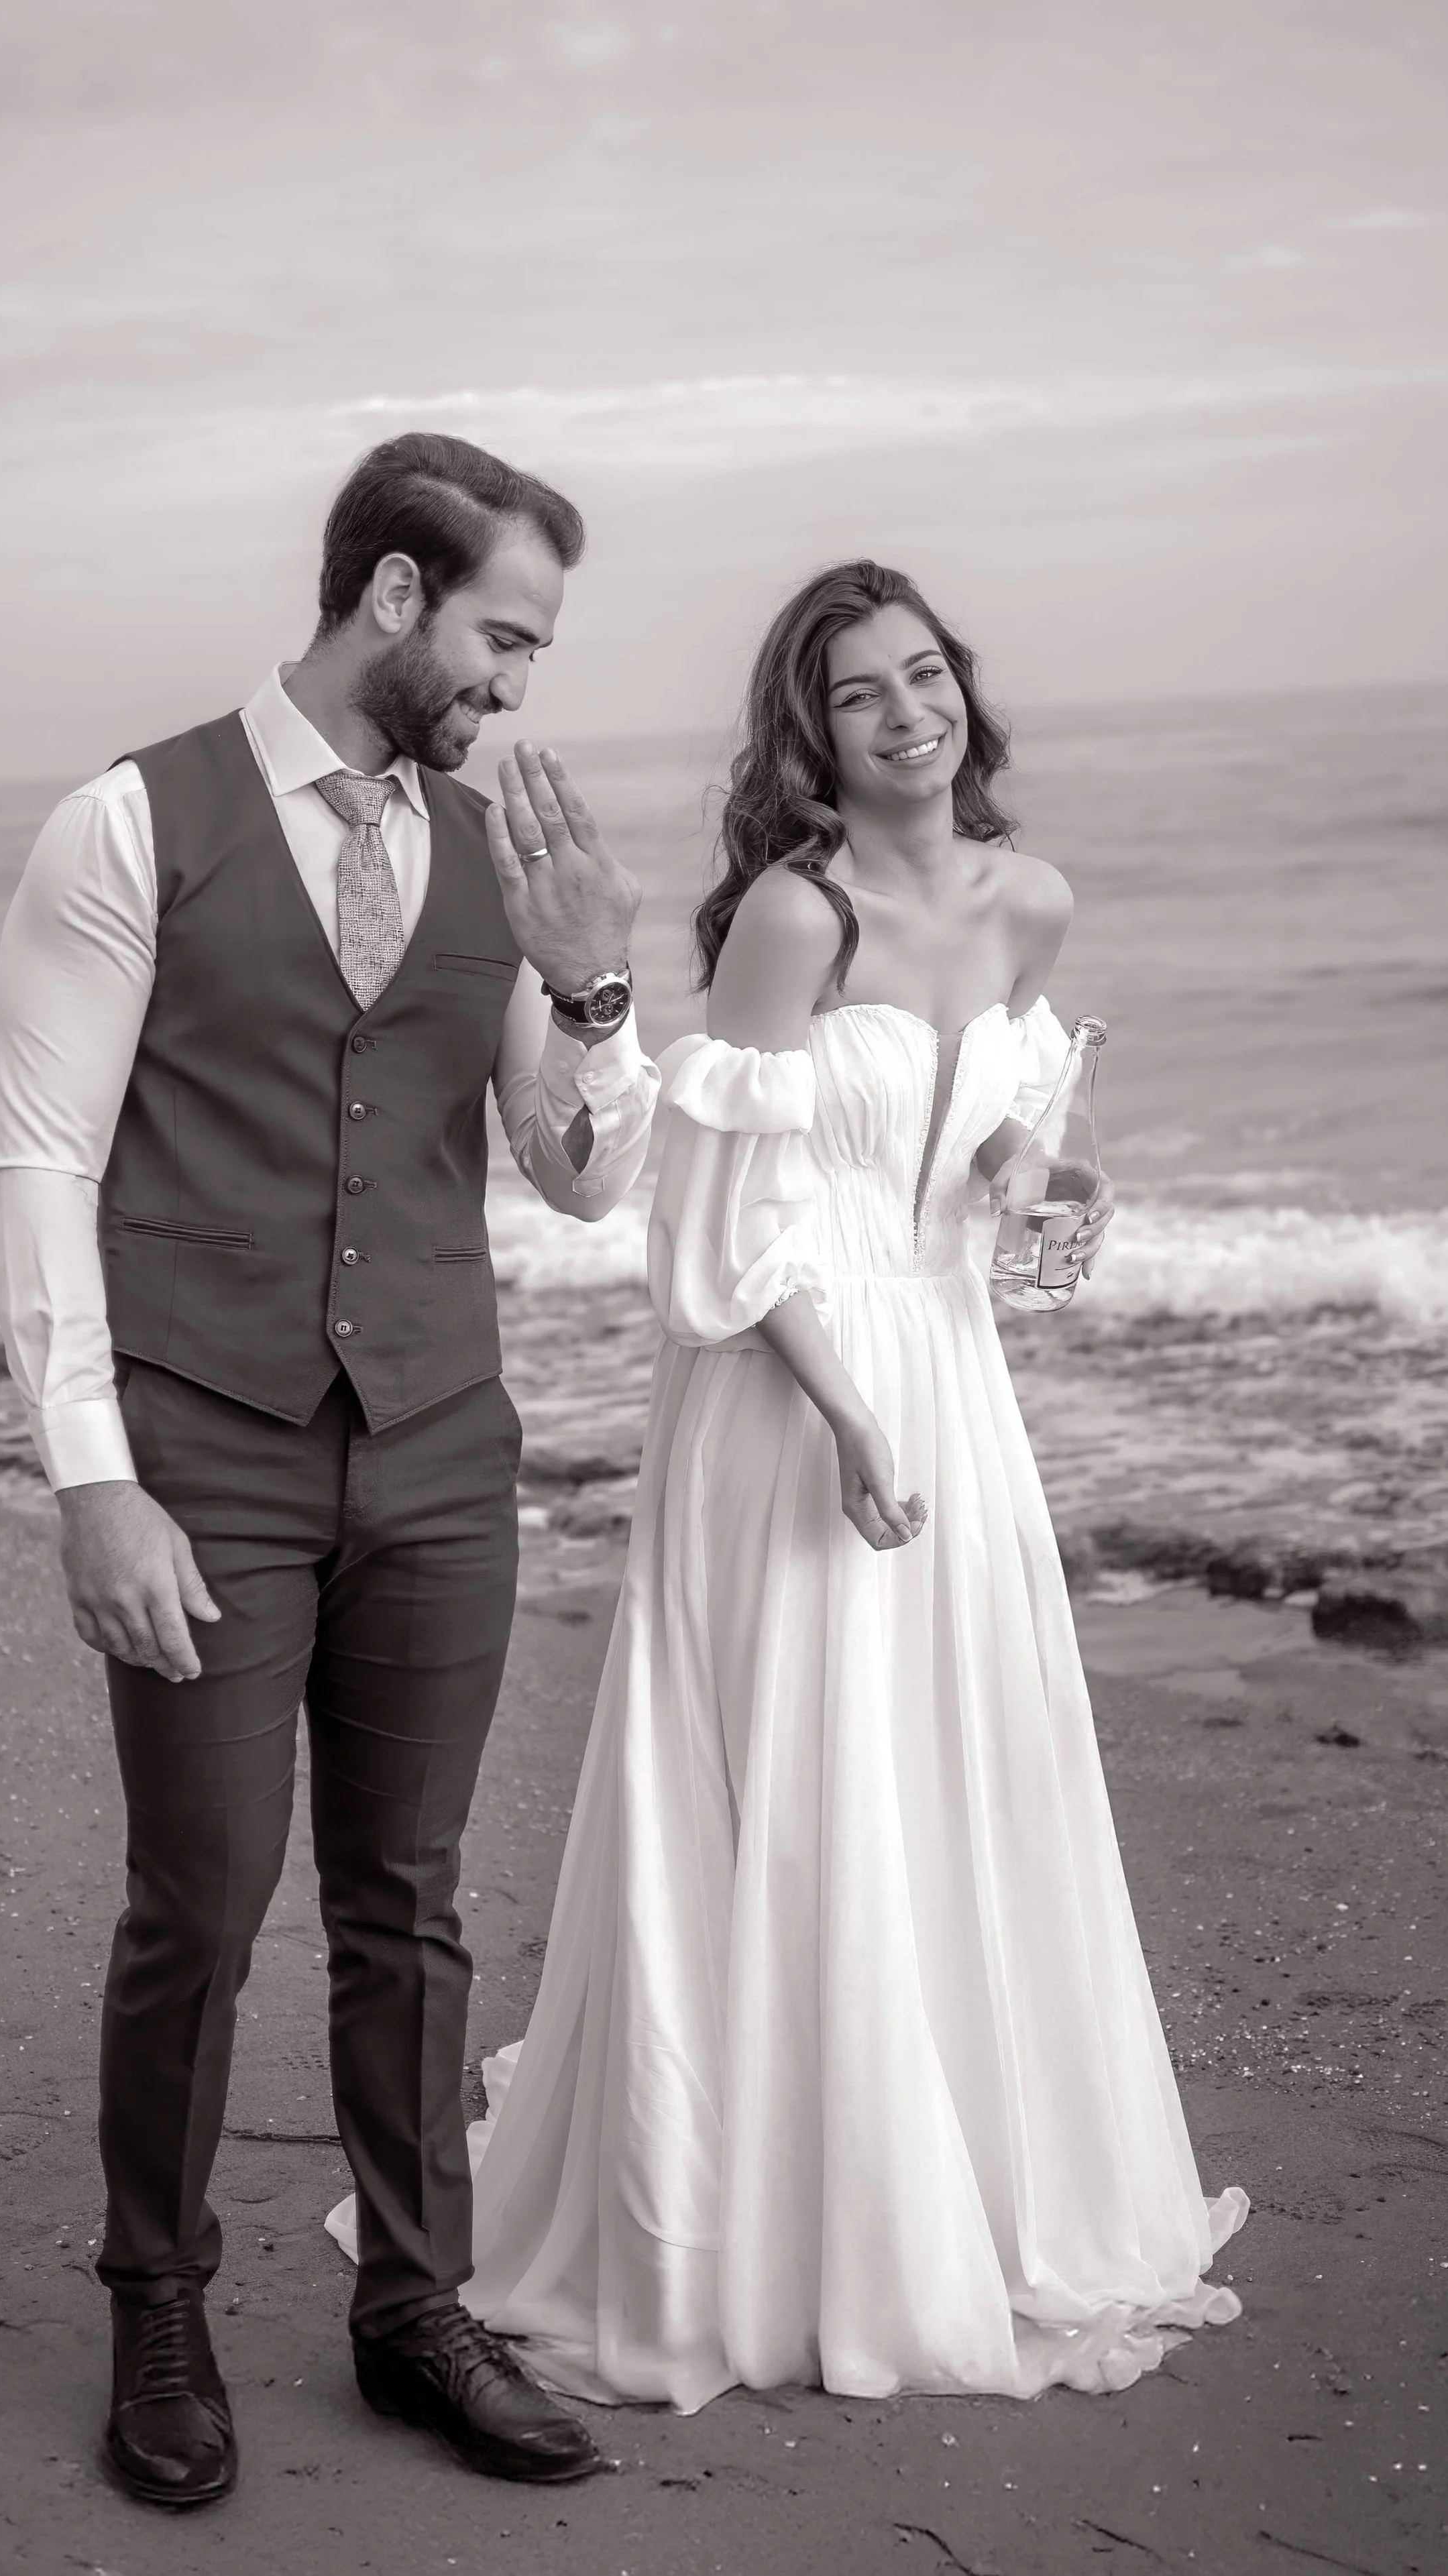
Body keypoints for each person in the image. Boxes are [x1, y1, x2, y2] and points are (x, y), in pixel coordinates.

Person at [416, 558, 1248, 2412]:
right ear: (813, 735)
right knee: (808, 1792)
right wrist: (852, 1415)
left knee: (955, 1770)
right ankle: (795, 2218)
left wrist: (1039, 1182)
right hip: (790, 1393)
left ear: (966, 691)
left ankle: (968, 2176)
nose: (905, 712)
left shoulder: (1029, 900)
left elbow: (979, 1162)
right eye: (859, 691)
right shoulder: (796, 921)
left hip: (951, 1381)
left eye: (925, 673)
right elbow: (724, 1223)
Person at [0, 433, 659, 2502]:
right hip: (205, 1454)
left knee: (412, 1905)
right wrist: (90, 1478)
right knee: (198, 1901)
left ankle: (411, 2313)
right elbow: (38, 1166)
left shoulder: (489, 849)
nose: (514, 686)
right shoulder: (125, 823)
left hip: (443, 1450)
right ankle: (159, 2308)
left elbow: (581, 1181)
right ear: (388, 594)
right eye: (499, 636)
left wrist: (592, 982)